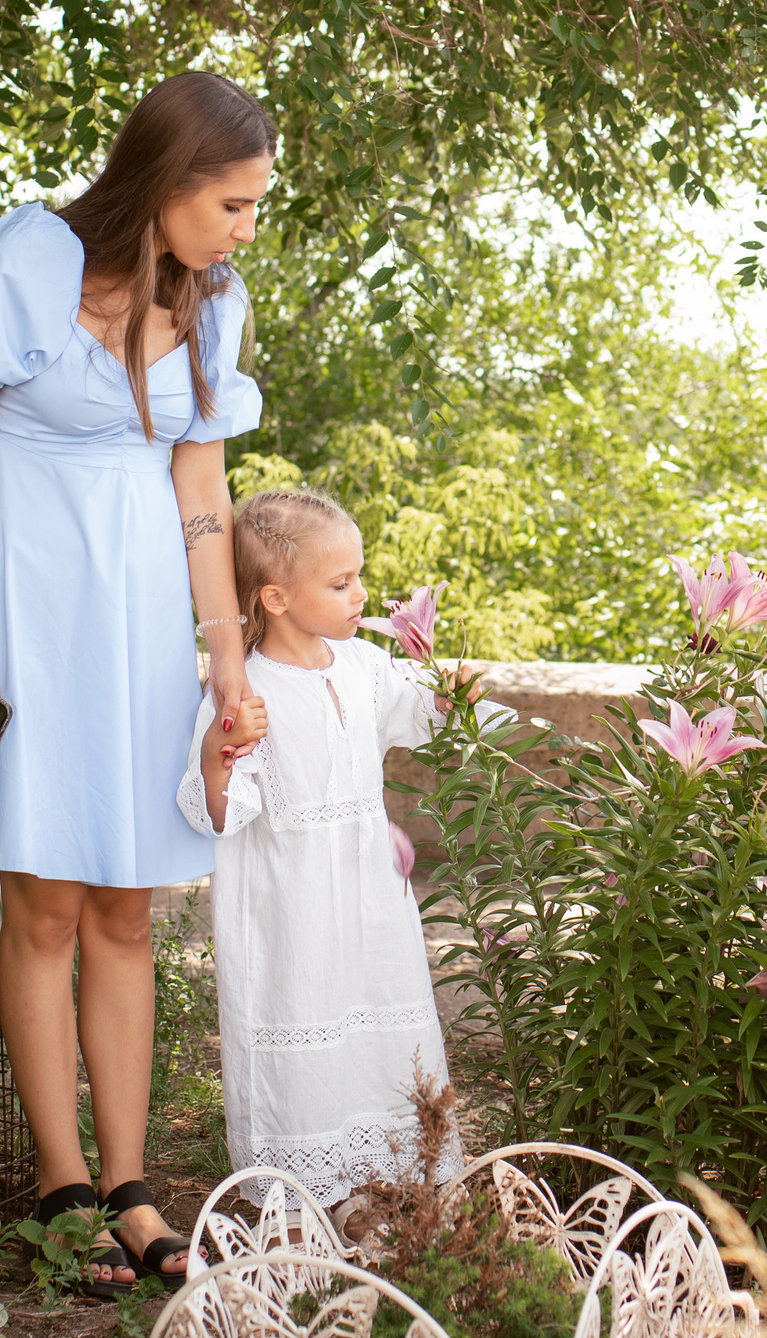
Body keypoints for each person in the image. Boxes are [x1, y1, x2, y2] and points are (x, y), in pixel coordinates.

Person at [0, 72, 272, 1297]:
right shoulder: (30, 261)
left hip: (139, 625)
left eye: (255, 205)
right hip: (22, 610)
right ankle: (59, 1183)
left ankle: (130, 1187)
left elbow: (203, 496)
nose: (243, 227)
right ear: (163, 185)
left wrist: (223, 655)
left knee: (126, 907)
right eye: (230, 202)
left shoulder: (214, 305)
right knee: (43, 903)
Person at [176, 488, 509, 1210]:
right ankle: (309, 1189)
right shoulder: (248, 687)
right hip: (291, 910)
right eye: (340, 582)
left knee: (379, 1014)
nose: (362, 594)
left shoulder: (363, 665)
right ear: (277, 596)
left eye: (359, 575)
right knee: (304, 1022)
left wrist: (454, 695)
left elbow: (420, 712)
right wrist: (217, 753)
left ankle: (393, 1171)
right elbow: (220, 815)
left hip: (367, 897)